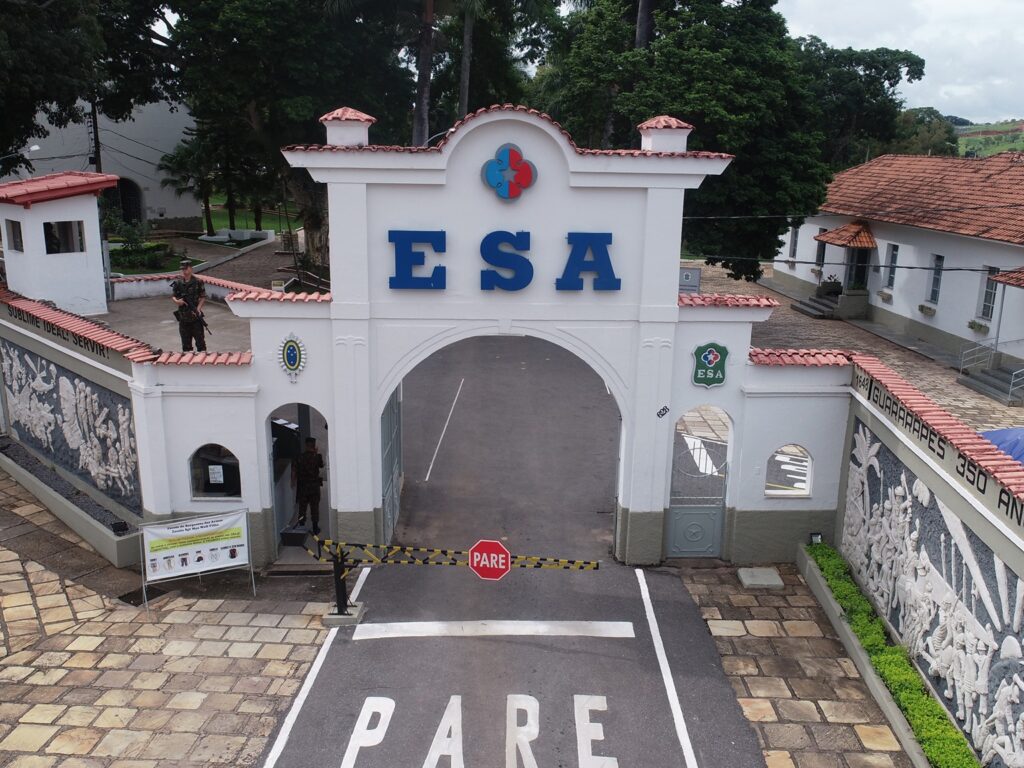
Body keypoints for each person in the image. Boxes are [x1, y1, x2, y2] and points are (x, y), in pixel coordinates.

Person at [171, 259, 207, 352]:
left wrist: (198, 309)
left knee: (201, 345)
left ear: (191, 269)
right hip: (183, 319)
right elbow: (173, 296)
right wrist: (177, 301)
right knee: (186, 346)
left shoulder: (198, 282)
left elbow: (203, 297)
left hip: (195, 318)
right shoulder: (178, 283)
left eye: (186, 269)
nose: (184, 271)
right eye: (182, 269)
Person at [291, 437, 324, 534]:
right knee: (315, 507)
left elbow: (294, 470)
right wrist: (316, 453)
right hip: (314, 487)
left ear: (306, 445)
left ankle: (301, 526)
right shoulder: (318, 457)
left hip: (303, 487)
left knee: (302, 507)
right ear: (314, 446)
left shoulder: (299, 457)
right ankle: (315, 528)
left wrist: (292, 482)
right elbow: (321, 465)